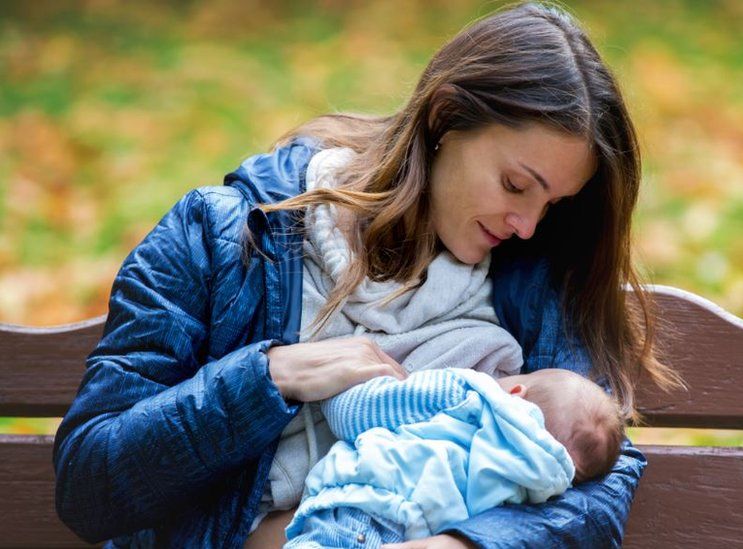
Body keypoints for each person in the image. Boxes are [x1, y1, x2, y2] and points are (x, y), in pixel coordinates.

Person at [53, 2, 684, 548]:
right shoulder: (223, 238)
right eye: (517, 185)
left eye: (553, 206)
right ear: (443, 118)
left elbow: (601, 477)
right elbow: (90, 486)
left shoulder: (533, 280)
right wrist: (273, 376)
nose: (527, 224)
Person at [282, 367, 623, 548]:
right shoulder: (541, 492)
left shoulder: (470, 394)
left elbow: (354, 413)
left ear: (517, 391)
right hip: (419, 538)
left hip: (359, 513)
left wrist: (328, 391)